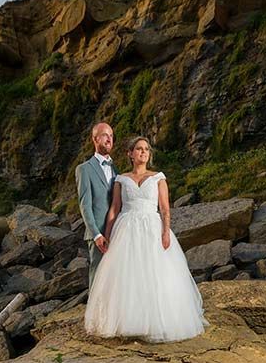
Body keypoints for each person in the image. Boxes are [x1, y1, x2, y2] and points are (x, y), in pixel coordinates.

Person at [84, 135, 207, 343]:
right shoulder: (121, 179)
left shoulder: (158, 177)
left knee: (156, 273)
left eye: (146, 149)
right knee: (127, 275)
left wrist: (166, 232)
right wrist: (107, 233)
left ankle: (158, 321)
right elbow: (114, 209)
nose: (143, 152)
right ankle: (128, 321)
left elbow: (165, 209)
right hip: (127, 227)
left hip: (152, 226)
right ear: (130, 154)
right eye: (139, 149)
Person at [75, 121, 117, 289]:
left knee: (116, 274)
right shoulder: (84, 169)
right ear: (95, 139)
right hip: (98, 233)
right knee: (98, 273)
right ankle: (94, 314)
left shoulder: (117, 169)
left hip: (118, 230)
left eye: (111, 136)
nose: (109, 139)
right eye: (105, 135)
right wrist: (96, 234)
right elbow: (85, 205)